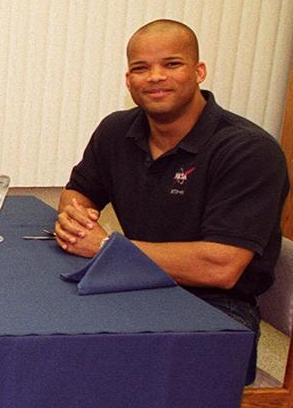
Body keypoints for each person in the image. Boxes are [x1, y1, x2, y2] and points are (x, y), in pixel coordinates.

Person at [56, 19, 289, 381]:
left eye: (171, 64)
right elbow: (81, 188)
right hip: (131, 285)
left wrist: (105, 246)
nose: (155, 77)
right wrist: (75, 217)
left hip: (216, 309)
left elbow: (221, 267)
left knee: (99, 367)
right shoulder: (116, 130)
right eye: (140, 68)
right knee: (50, 337)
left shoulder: (248, 150)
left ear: (199, 72)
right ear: (128, 80)